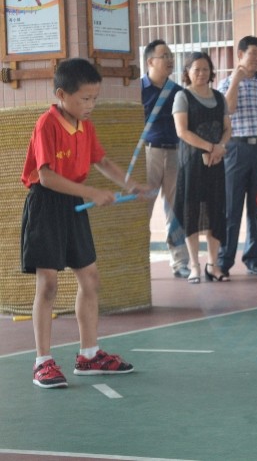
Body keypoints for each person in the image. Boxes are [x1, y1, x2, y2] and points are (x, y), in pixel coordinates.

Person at [21, 58, 148, 388]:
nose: (91, 105)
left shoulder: (85, 125)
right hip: (46, 205)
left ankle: (89, 355)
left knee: (90, 279)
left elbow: (101, 160)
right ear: (62, 94)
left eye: (95, 98)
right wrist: (90, 190)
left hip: (73, 203)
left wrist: (128, 184)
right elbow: (46, 177)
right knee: (48, 284)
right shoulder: (46, 124)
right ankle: (43, 361)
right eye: (85, 99)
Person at [218, 36, 257, 277]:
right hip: (236, 149)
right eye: (253, 53)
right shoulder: (225, 84)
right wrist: (236, 79)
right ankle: (224, 260)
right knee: (231, 207)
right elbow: (228, 109)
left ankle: (253, 258)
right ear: (241, 55)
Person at [173, 52, 232, 284]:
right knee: (192, 212)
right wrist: (210, 147)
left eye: (205, 69)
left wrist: (220, 148)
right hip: (191, 164)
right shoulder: (183, 96)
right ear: (187, 72)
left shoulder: (219, 97)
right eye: (196, 69)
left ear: (211, 72)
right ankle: (195, 266)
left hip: (216, 163)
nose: (201, 73)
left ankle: (213, 265)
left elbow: (227, 128)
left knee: (216, 211)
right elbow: (182, 131)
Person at [141, 39, 191, 279]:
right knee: (143, 210)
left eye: (171, 55)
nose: (170, 60)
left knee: (176, 210)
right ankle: (139, 262)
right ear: (150, 61)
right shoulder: (136, 89)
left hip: (175, 153)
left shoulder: (178, 91)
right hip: (148, 153)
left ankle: (180, 261)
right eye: (165, 56)